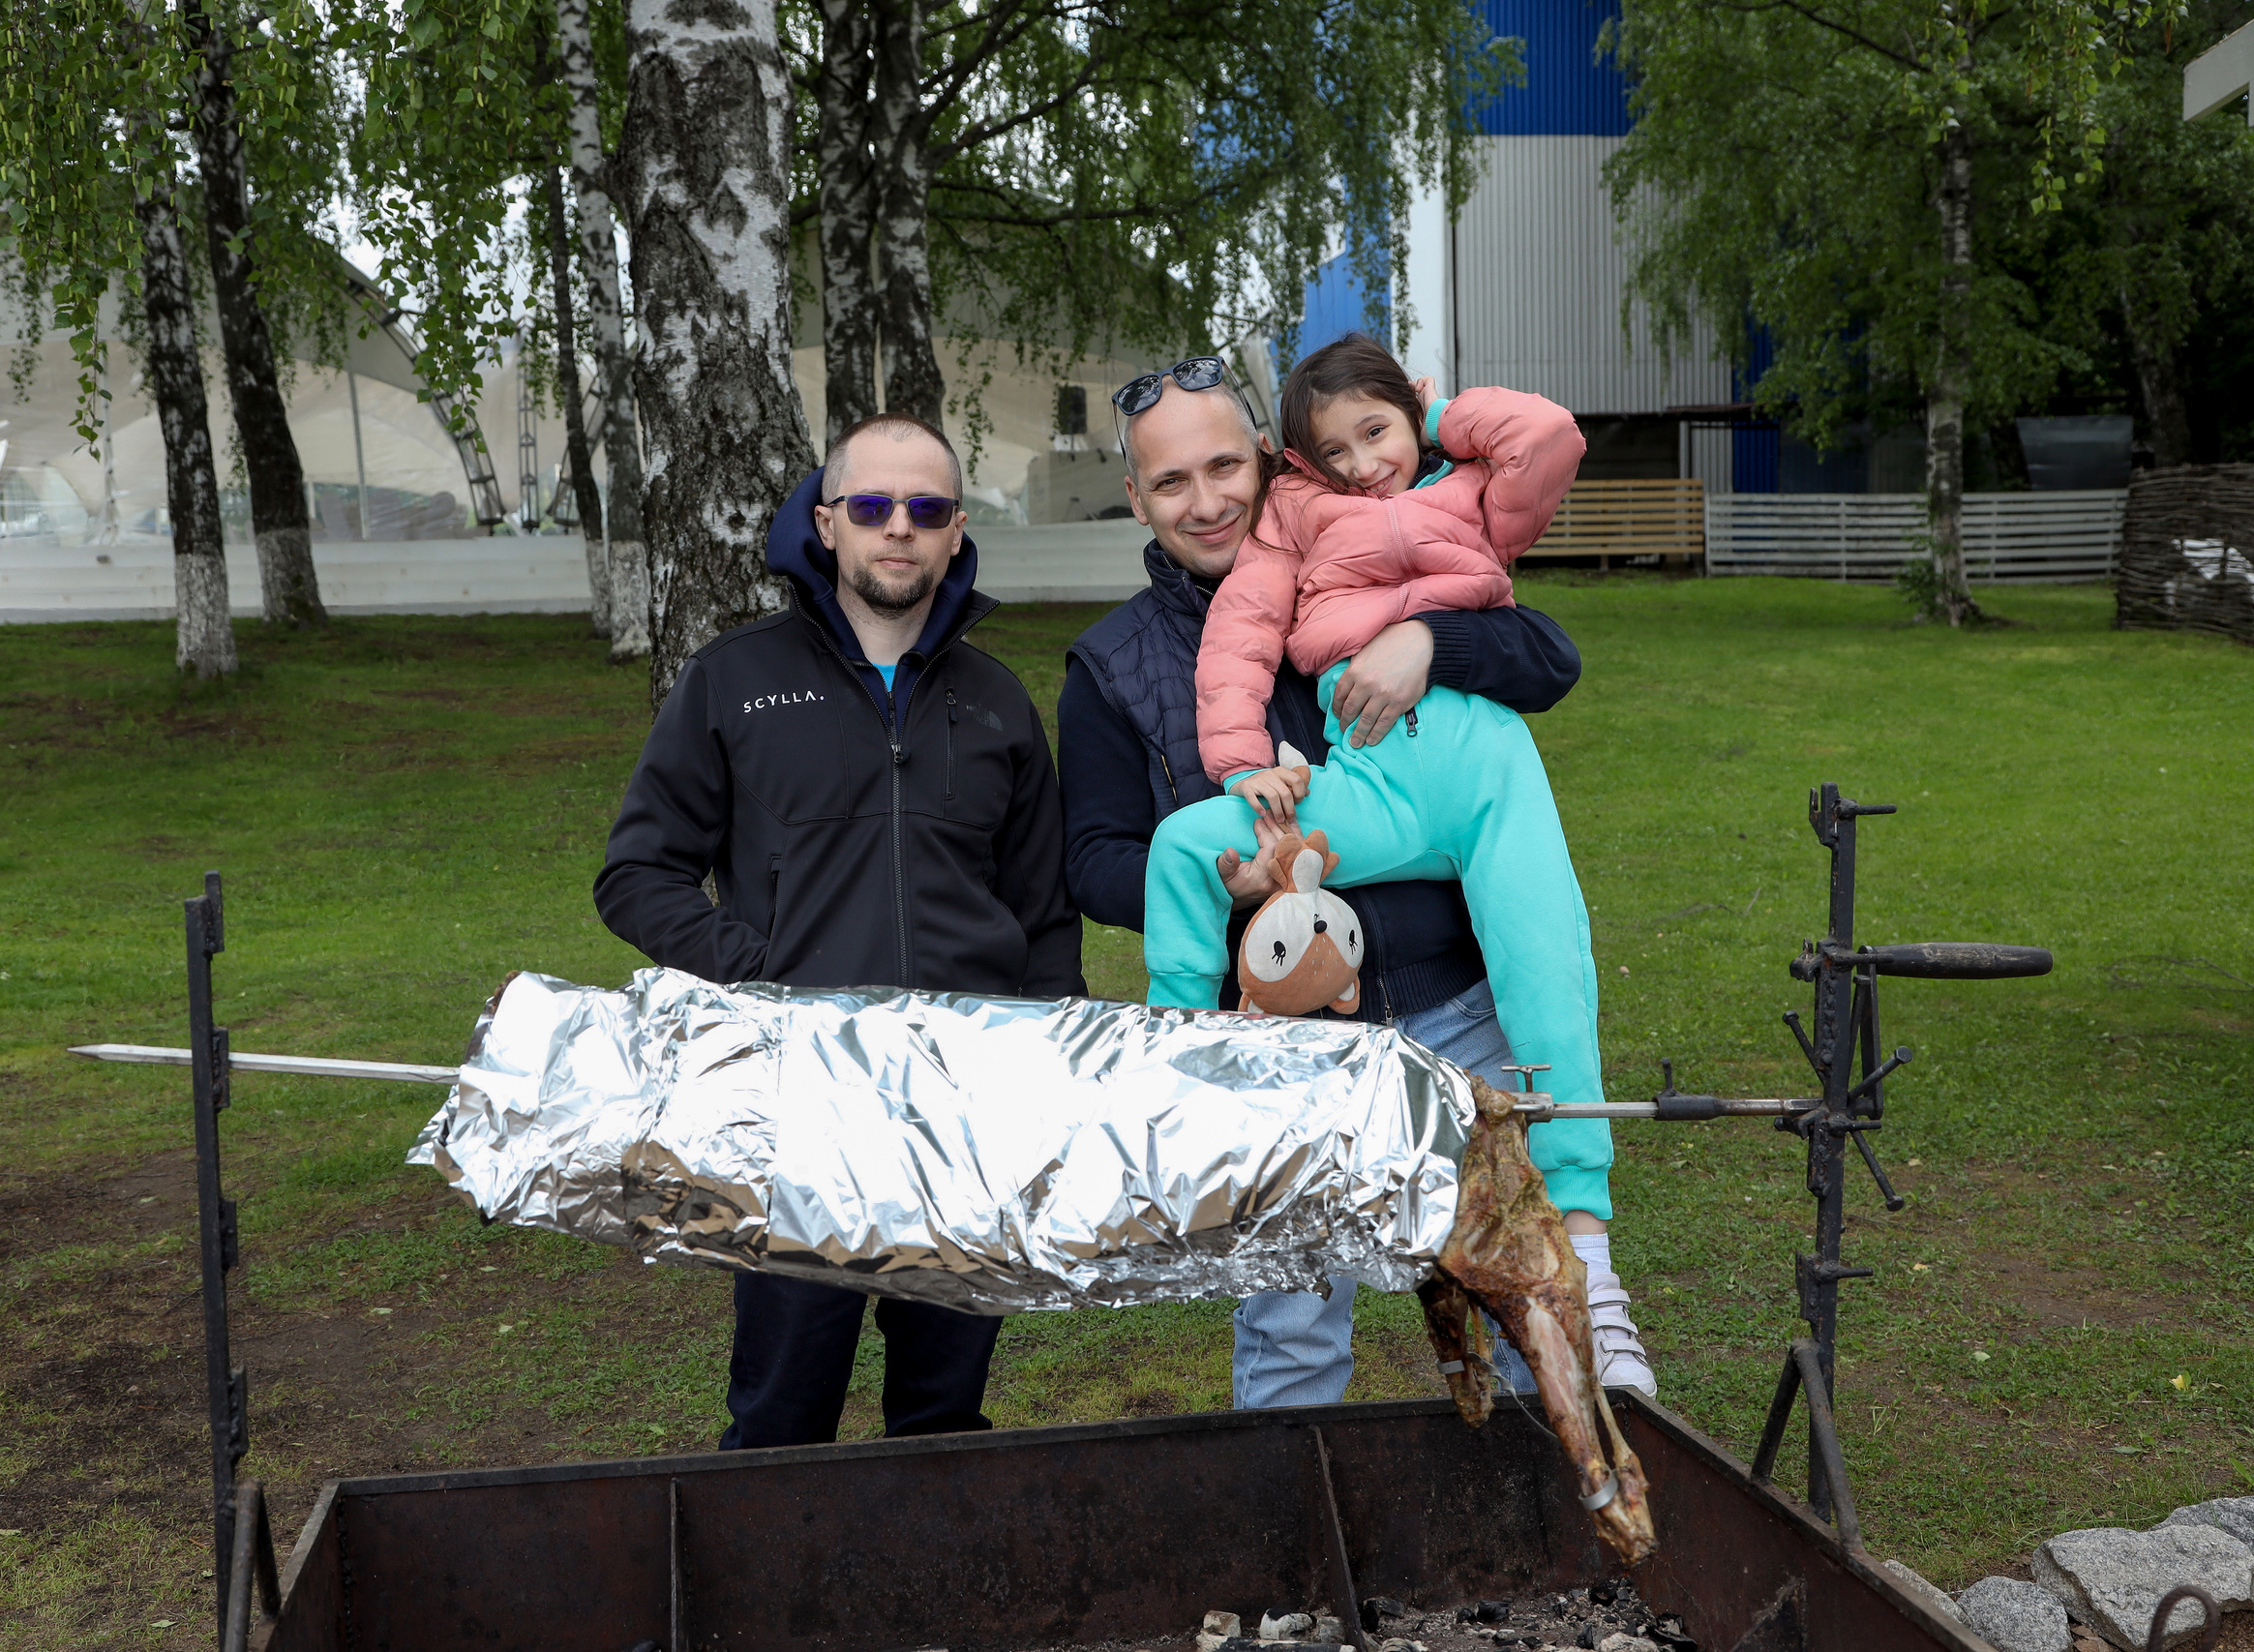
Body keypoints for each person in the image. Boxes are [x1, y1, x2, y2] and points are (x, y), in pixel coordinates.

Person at [1061, 348, 1652, 1405]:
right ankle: (1171, 1077)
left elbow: (1549, 659)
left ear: (1265, 458)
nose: (1206, 501)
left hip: (1453, 1010)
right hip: (1285, 1041)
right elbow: (1096, 861)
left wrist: (1429, 641)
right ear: (1136, 498)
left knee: (1527, 1298)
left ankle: (1561, 1476)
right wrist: (1240, 878)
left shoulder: (1380, 525)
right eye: (1170, 482)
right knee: (1291, 1331)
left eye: (1223, 467)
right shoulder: (1113, 662)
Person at [596, 412, 1086, 1450]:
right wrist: (761, 970)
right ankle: (773, 1561)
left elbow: (1044, 916)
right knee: (781, 1413)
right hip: (798, 1112)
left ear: (956, 531)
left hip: (964, 1117)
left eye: (927, 508)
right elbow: (637, 874)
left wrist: (1047, 1069)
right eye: (871, 505)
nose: (898, 527)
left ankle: (931, 1559)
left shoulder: (996, 703)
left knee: (943, 1415)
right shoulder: (733, 681)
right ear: (827, 524)